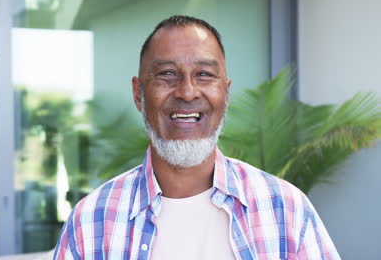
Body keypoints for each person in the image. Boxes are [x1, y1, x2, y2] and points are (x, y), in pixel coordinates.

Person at [53, 15, 340, 260]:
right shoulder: (91, 221)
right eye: (167, 74)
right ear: (138, 94)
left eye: (204, 74)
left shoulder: (285, 209)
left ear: (226, 94)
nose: (187, 92)